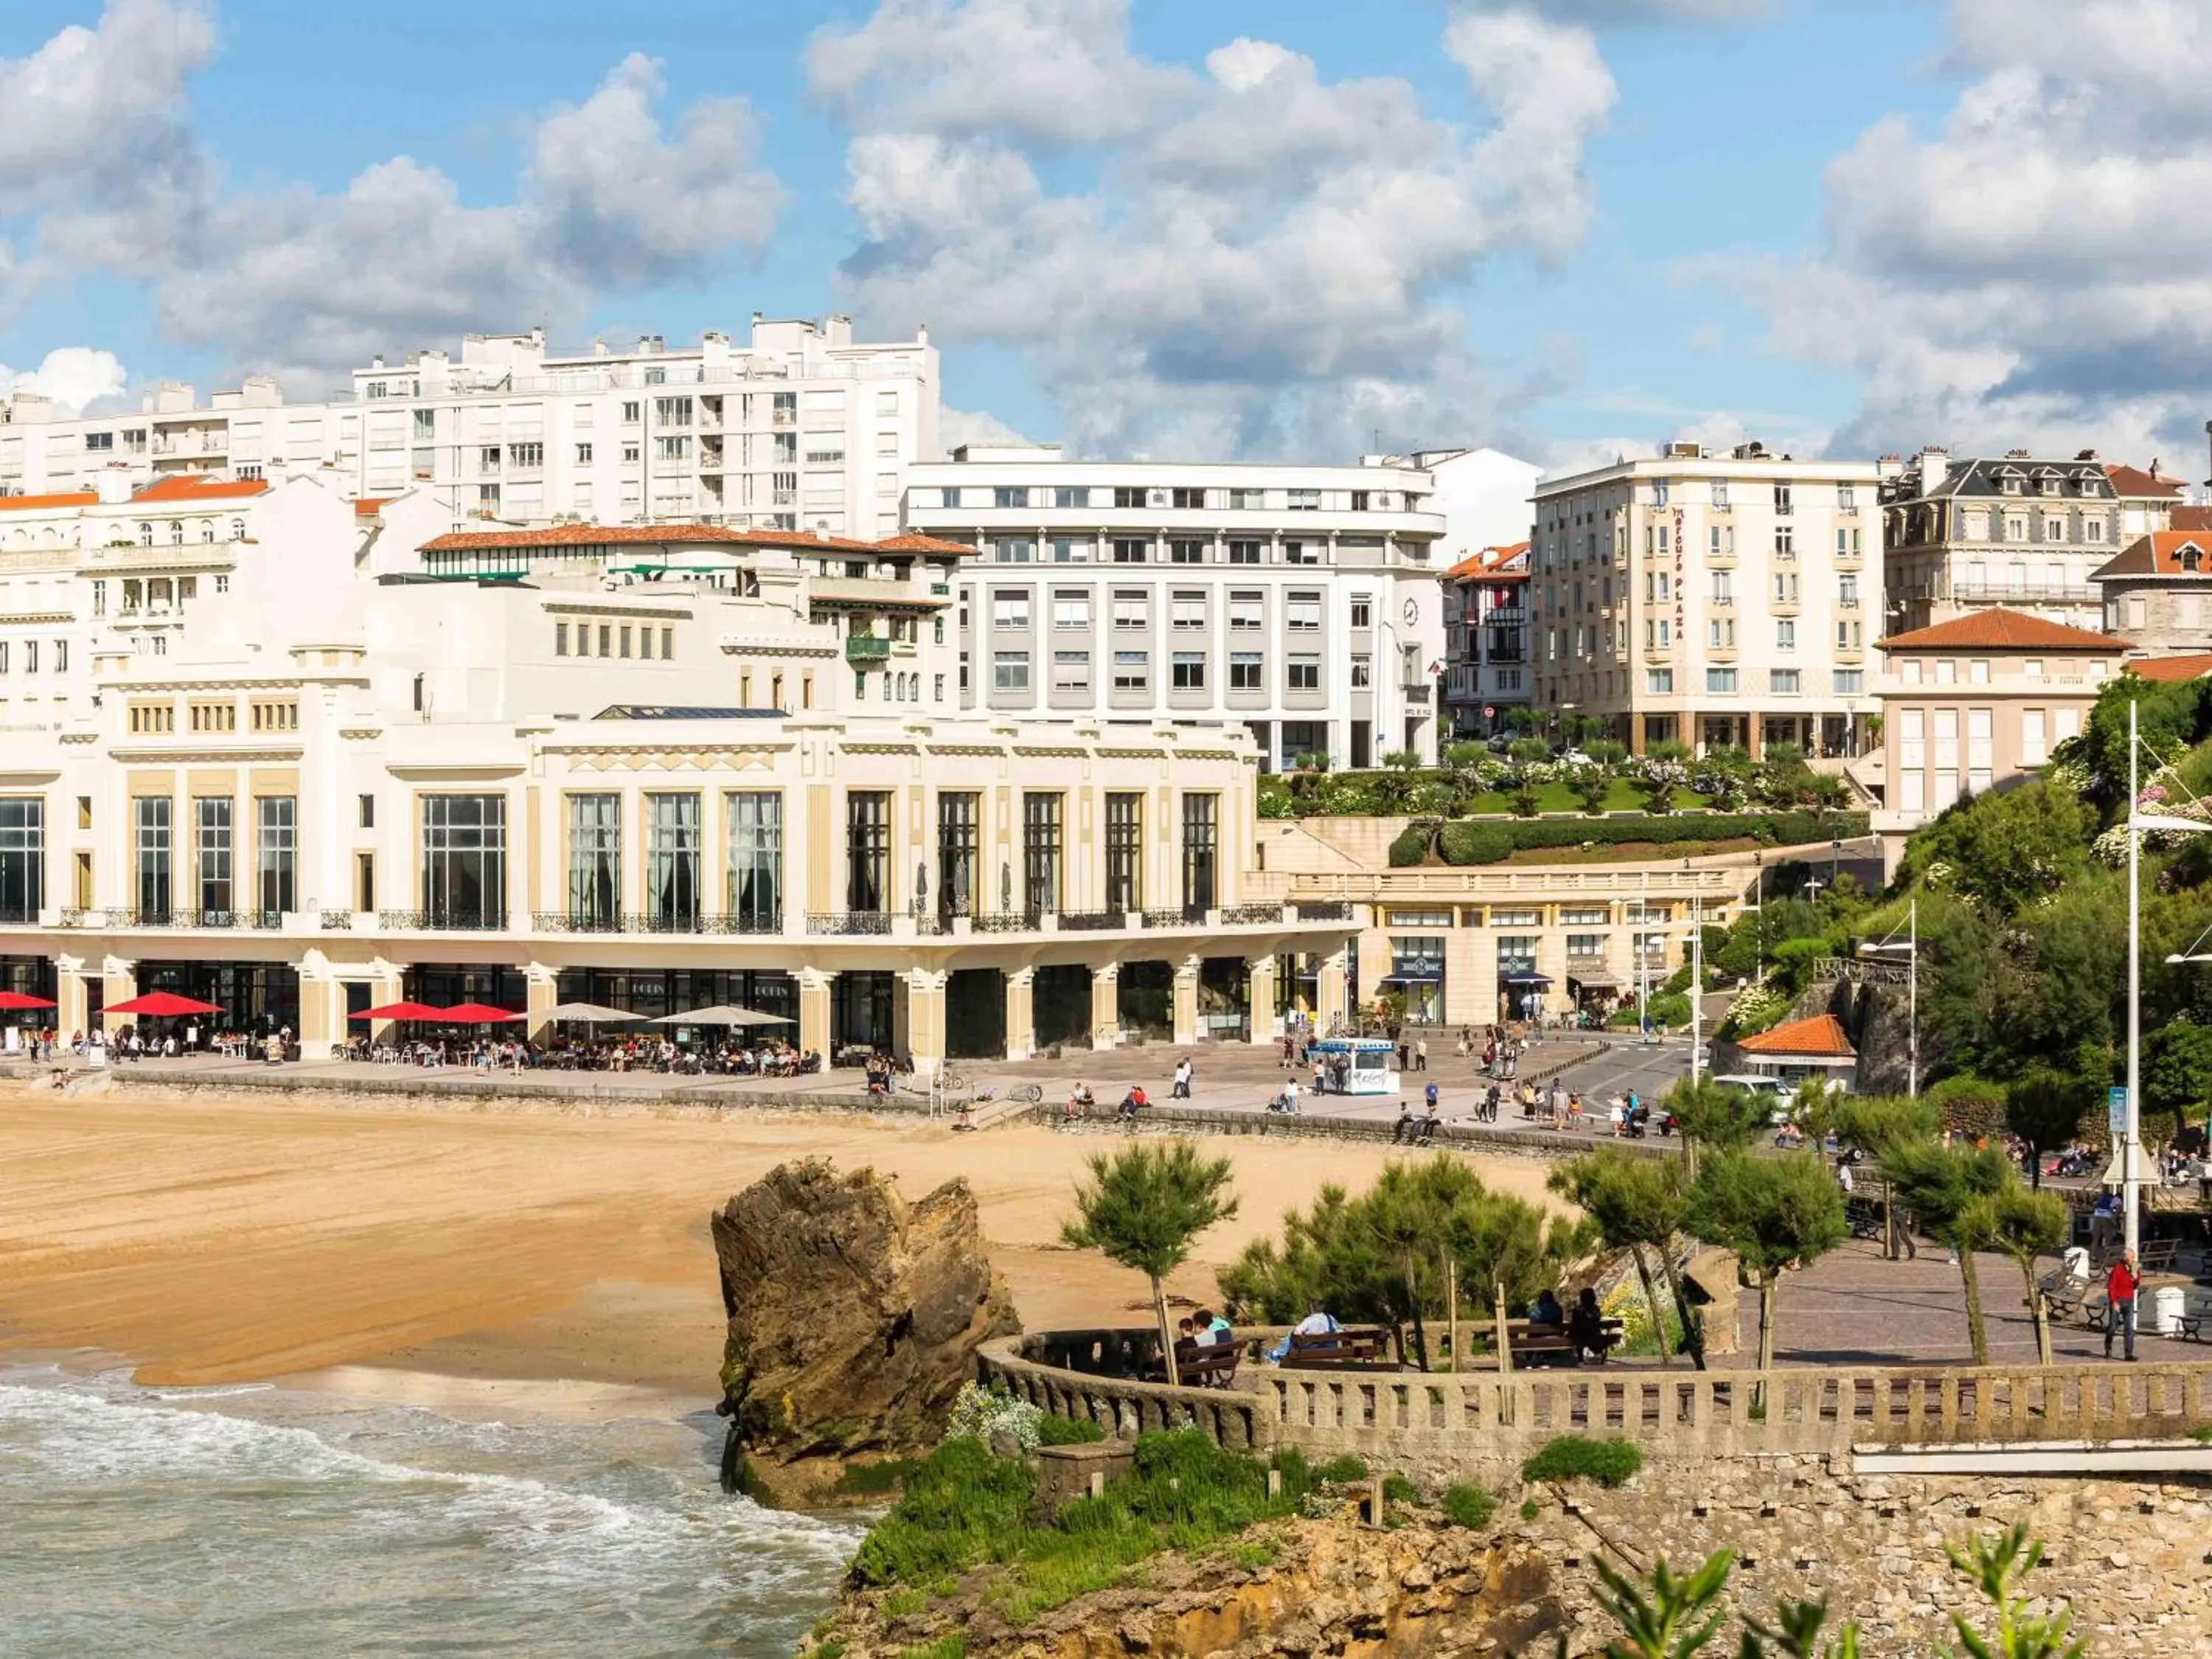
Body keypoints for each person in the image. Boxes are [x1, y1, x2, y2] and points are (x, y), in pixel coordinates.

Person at [1266, 1301, 1342, 1363]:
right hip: (1331, 1351)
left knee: (1291, 1332)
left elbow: (1296, 1332)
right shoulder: (1330, 1318)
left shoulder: (1309, 1320)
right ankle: (1278, 1353)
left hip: (1310, 1352)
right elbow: (1341, 1331)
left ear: (1311, 1309)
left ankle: (1278, 1354)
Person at [2106, 1246, 2140, 1362]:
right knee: (2112, 1327)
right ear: (2125, 1257)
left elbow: (2135, 1286)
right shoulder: (2118, 1268)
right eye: (2131, 1257)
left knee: (2129, 1328)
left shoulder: (2135, 1268)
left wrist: (2136, 1278)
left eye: (2133, 1257)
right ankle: (2108, 1346)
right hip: (2118, 1300)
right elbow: (2112, 1286)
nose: (2133, 1259)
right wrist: (2114, 1301)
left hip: (2129, 1300)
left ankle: (2129, 1354)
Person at [1568, 1288, 1607, 1362]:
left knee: (1580, 1337)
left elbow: (1574, 1323)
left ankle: (1581, 1358)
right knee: (1588, 1337)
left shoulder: (1579, 1309)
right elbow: (1597, 1319)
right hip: (1591, 1334)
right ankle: (1595, 1354)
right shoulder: (1595, 1308)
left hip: (1582, 1335)